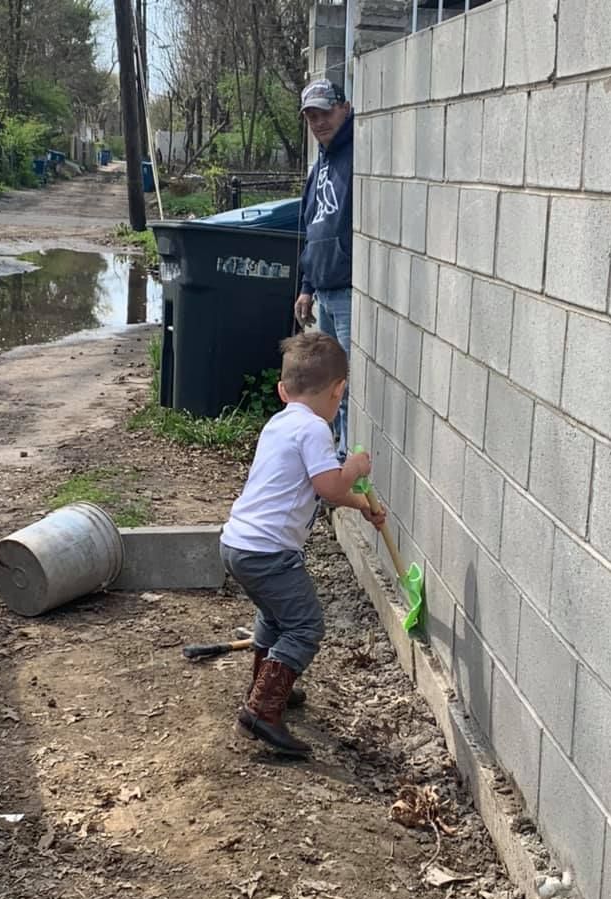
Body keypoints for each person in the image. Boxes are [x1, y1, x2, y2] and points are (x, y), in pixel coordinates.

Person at [219, 331, 385, 758]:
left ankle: (268, 685)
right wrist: (353, 468)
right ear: (338, 391)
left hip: (239, 543)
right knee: (306, 624)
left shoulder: (281, 422)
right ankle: (261, 709)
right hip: (269, 552)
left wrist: (361, 505)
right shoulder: (315, 430)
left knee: (275, 616)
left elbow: (316, 487)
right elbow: (328, 486)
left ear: (281, 390)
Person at [294, 78, 354, 462]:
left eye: (325, 112)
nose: (319, 122)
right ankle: (329, 460)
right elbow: (311, 227)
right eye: (312, 116)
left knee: (347, 387)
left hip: (349, 290)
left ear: (344, 108)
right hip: (324, 289)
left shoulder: (357, 156)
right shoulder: (320, 166)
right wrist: (306, 286)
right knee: (328, 385)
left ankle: (347, 463)